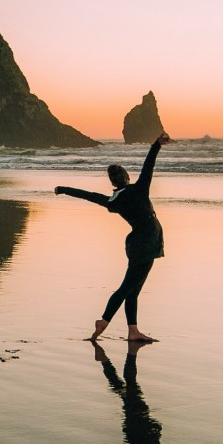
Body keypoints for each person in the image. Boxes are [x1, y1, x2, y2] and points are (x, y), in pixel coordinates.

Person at [54, 133, 172, 341]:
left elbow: (88, 195)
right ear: (126, 177)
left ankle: (133, 330)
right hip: (146, 243)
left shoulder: (113, 200)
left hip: (140, 243)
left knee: (133, 290)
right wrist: (156, 144)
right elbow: (148, 166)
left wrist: (64, 189)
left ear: (113, 181)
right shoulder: (139, 189)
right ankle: (104, 320)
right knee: (127, 288)